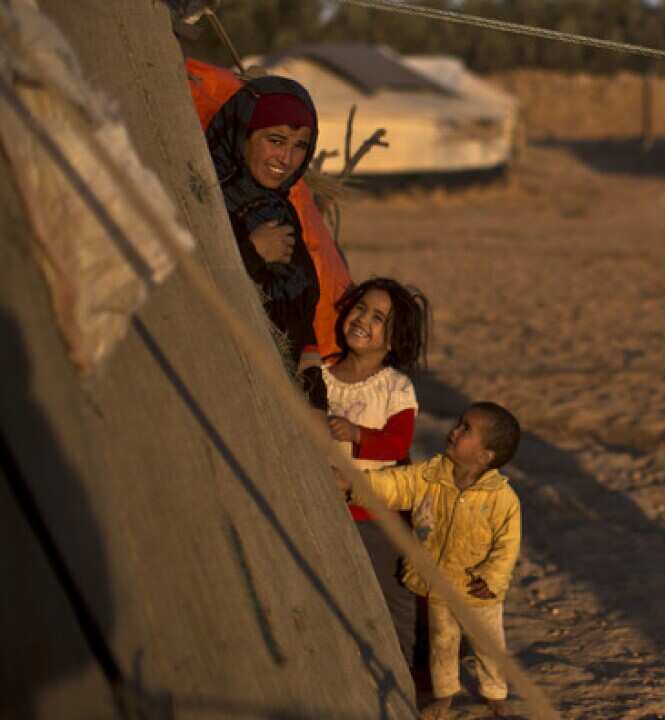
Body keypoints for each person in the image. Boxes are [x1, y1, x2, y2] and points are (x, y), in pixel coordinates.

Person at [339, 402, 522, 720]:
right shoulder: (430, 476)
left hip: (479, 593)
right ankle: (445, 696)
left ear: (485, 457)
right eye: (459, 423)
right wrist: (354, 485)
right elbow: (396, 484)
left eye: (467, 430)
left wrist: (492, 579)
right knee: (442, 644)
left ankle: (495, 694)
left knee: (488, 645)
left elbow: (507, 546)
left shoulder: (502, 498)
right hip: (439, 584)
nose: (455, 431)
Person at [186, 58, 352, 364]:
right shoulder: (201, 194)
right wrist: (251, 251)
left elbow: (302, 313)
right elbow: (184, 283)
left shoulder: (282, 209)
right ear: (243, 134)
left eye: (300, 145)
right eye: (275, 140)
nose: (286, 159)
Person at [318, 277, 430, 678]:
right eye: (360, 308)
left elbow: (397, 444)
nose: (362, 319)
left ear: (395, 339)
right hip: (323, 508)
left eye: (378, 317)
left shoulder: (395, 388)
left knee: (391, 598)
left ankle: (403, 676)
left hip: (376, 514)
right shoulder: (321, 377)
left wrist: (357, 434)